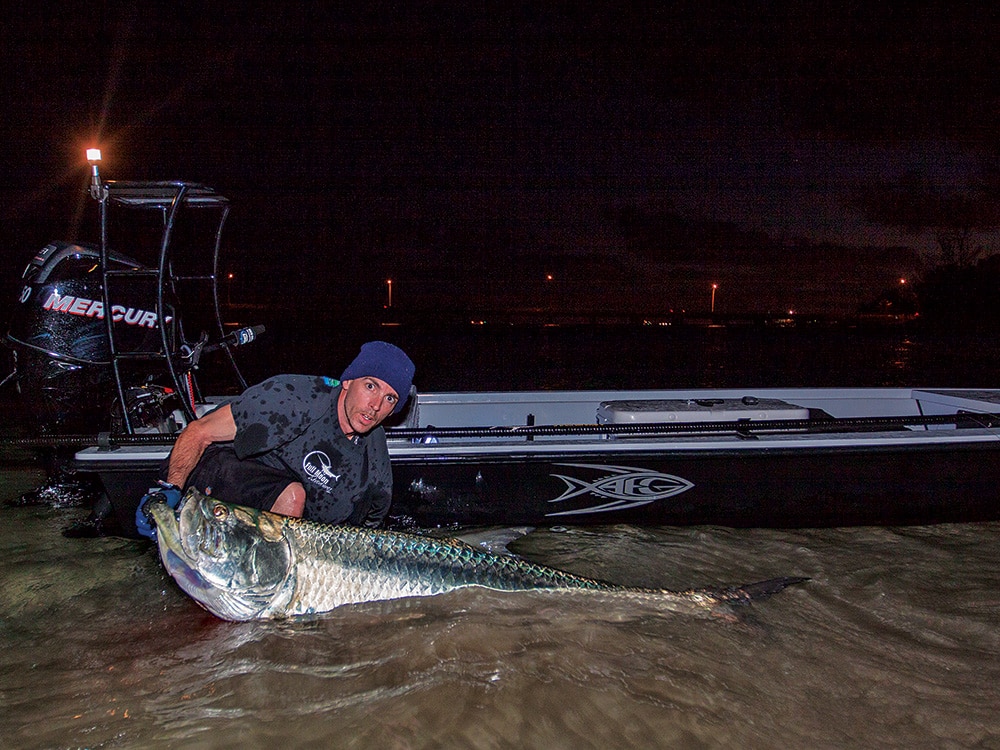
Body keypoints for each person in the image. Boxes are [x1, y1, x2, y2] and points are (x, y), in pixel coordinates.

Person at [135, 341, 414, 537]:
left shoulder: (374, 463)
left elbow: (369, 526)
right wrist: (167, 489)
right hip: (208, 470)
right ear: (348, 381)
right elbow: (198, 432)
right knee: (292, 495)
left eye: (390, 398)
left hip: (273, 513)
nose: (375, 405)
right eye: (370, 386)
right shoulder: (290, 400)